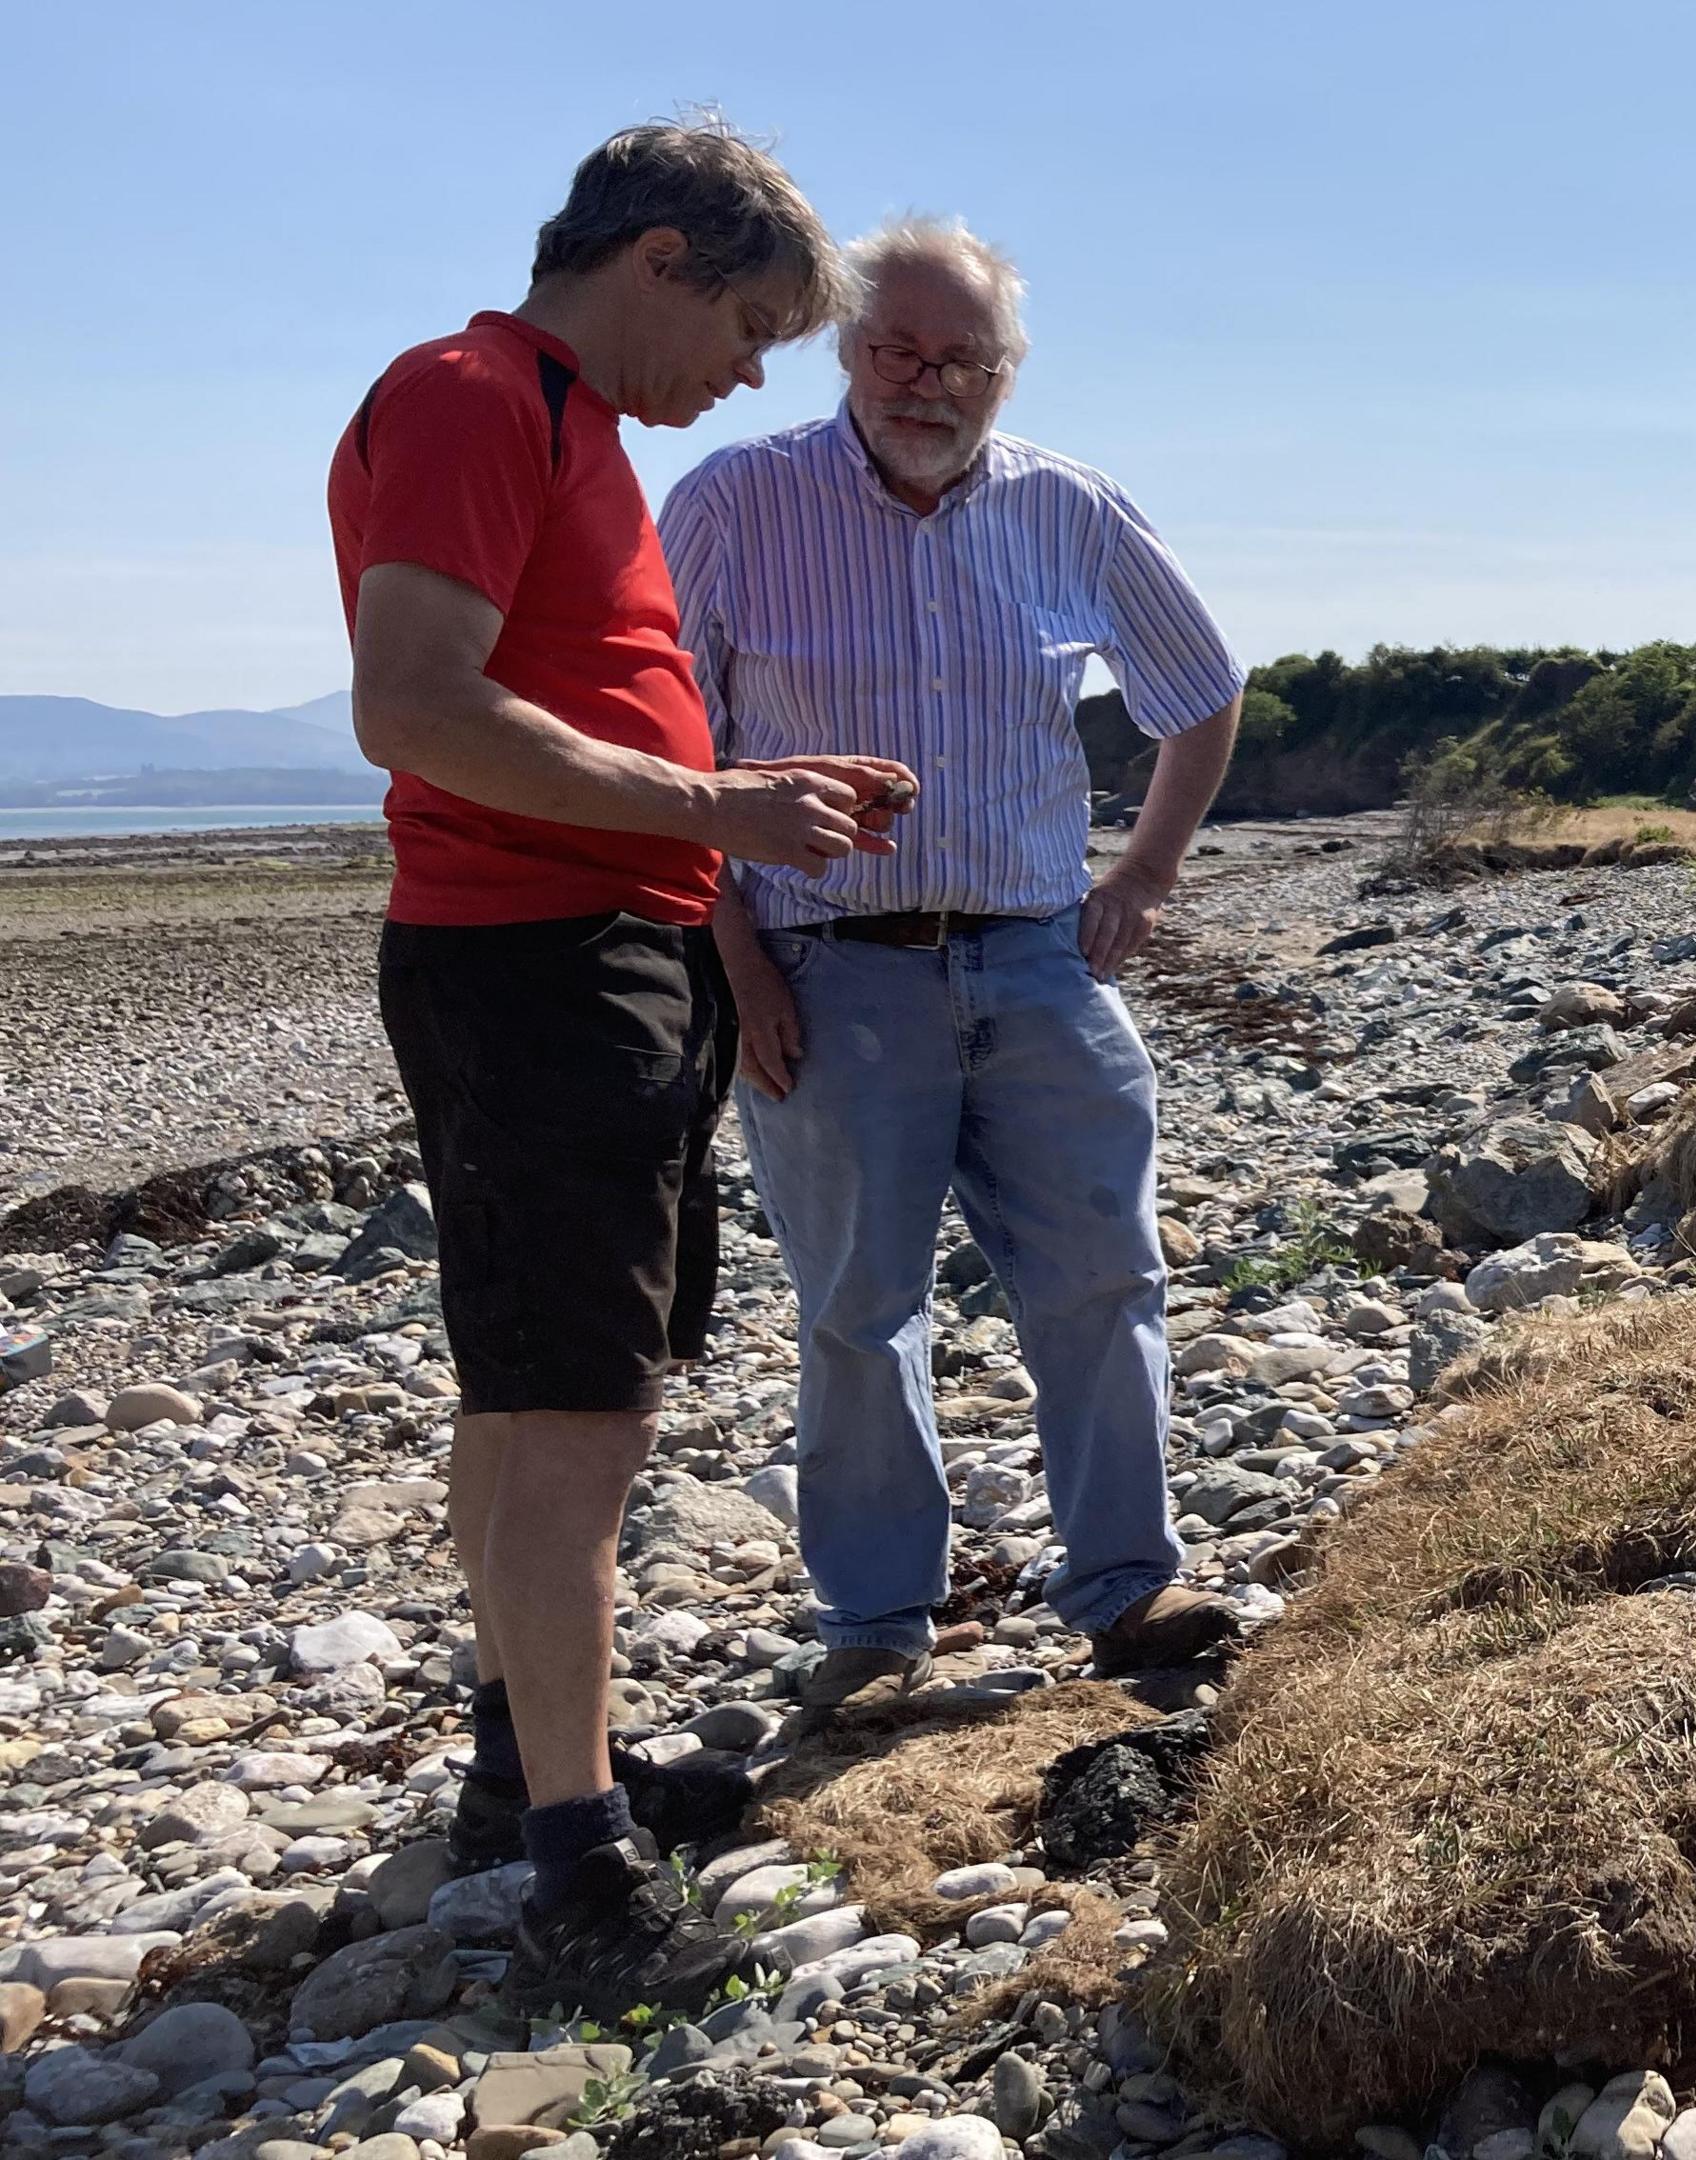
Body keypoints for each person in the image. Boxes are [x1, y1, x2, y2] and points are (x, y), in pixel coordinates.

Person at [333, 117, 916, 2013]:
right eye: (748, 326)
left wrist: (739, 814)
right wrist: (708, 802)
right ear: (659, 256)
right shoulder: (469, 393)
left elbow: (565, 688)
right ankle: (580, 1869)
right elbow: (412, 704)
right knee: (576, 1401)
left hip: (612, 947)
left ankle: (526, 1767)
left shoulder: (569, 422)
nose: (748, 376)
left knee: (536, 1386)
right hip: (532, 960)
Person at [661, 215, 1246, 1722]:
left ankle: (1129, 1585)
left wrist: (1147, 877)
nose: (928, 382)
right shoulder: (735, 498)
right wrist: (735, 964)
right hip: (823, 969)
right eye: (897, 350)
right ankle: (874, 1624)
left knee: (1107, 1279)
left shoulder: (1073, 506)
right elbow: (671, 755)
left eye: (961, 358)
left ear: (1005, 368)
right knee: (859, 1307)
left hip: (1041, 963)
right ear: (845, 351)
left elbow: (1205, 689)